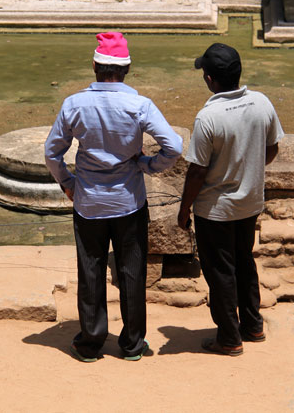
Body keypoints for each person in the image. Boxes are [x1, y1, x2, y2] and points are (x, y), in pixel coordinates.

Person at [45, 32, 183, 362]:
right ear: (127, 69)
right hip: (129, 202)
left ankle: (91, 342)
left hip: (89, 202)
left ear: (94, 65)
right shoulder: (139, 105)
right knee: (132, 272)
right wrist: (148, 165)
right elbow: (175, 147)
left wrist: (68, 182)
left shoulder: (74, 105)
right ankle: (132, 343)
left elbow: (52, 153)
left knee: (91, 270)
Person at [177, 42, 283, 356]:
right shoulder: (261, 102)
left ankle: (229, 337)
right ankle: (253, 325)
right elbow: (273, 147)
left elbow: (196, 172)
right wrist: (249, 169)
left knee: (221, 272)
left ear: (210, 79)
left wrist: (184, 211)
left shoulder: (208, 117)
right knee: (244, 262)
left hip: (216, 210)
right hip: (249, 202)